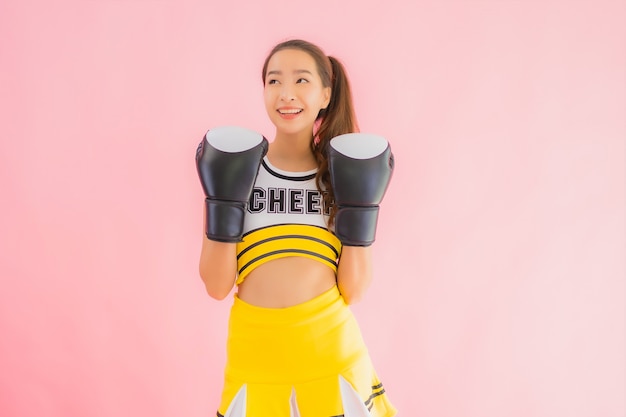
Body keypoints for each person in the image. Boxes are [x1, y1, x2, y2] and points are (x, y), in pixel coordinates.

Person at [195, 39, 397, 417]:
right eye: (274, 81)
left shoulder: (344, 173)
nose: (286, 94)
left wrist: (360, 205)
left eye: (301, 80)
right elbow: (216, 285)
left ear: (325, 94)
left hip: (329, 350)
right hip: (255, 353)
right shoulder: (237, 166)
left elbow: (353, 290)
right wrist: (222, 202)